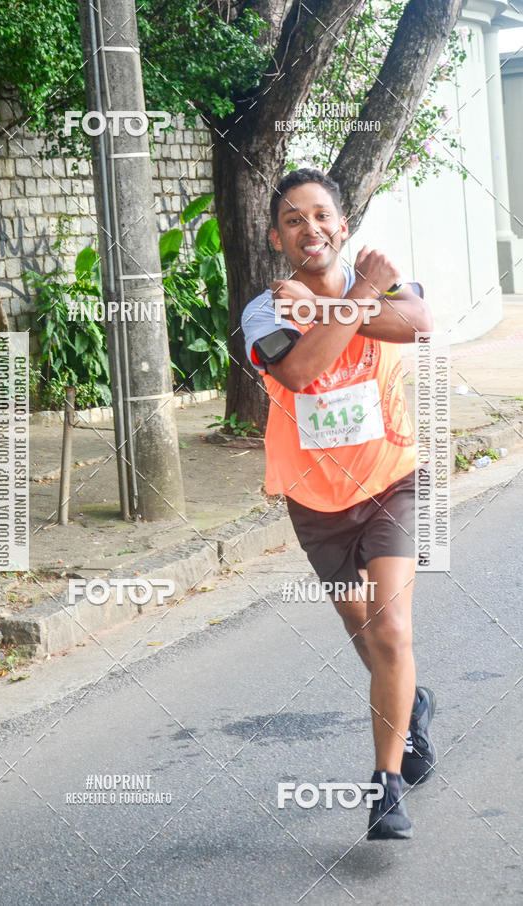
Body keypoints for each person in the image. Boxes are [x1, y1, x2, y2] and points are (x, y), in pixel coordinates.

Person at [241, 168, 437, 840]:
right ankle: (411, 703)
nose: (311, 228)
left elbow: (419, 323)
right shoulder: (265, 312)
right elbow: (299, 372)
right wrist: (357, 299)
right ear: (277, 238)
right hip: (315, 498)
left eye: (322, 215)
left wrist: (329, 306)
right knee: (364, 631)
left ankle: (386, 786)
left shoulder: (384, 279)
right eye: (293, 220)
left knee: (391, 630)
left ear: (342, 225)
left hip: (391, 480)